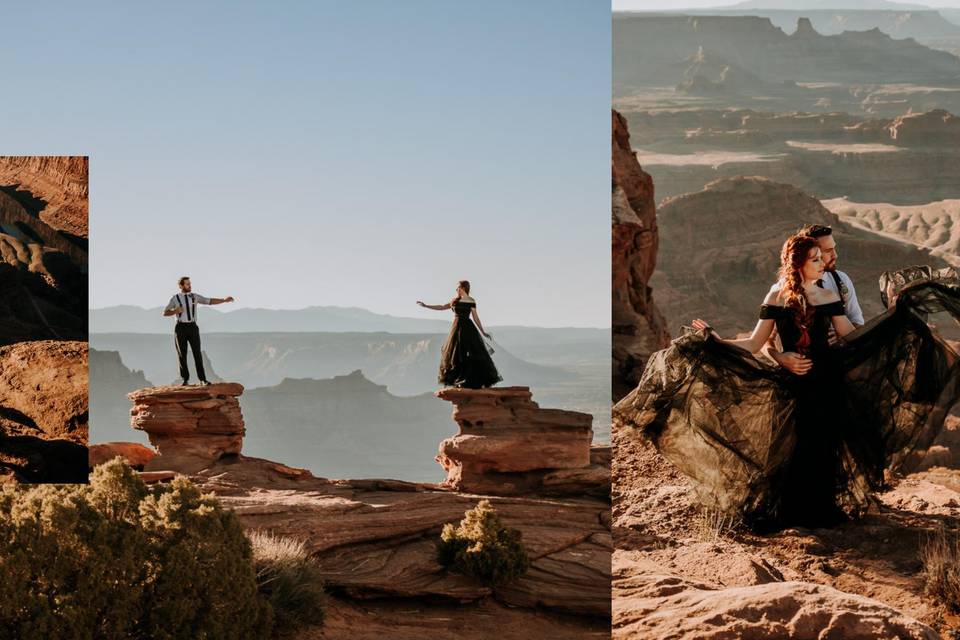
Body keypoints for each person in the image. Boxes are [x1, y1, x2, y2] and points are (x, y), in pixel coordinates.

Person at [613, 233, 960, 531]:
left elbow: (851, 336)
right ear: (798, 264)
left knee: (825, 445)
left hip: (828, 381)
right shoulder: (777, 298)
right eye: (814, 259)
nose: (822, 262)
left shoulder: (828, 294)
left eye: (821, 257)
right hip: (793, 384)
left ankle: (821, 511)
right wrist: (714, 340)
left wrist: (892, 318)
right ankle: (794, 513)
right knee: (796, 446)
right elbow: (753, 343)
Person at [764, 224, 864, 376]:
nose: (835, 255)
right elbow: (764, 340)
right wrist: (780, 358)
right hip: (794, 377)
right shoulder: (779, 293)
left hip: (835, 371)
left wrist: (840, 338)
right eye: (827, 251)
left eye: (834, 248)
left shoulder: (840, 281)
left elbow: (857, 328)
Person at [417, 280, 502, 389]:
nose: (456, 290)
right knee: (456, 353)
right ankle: (459, 379)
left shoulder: (471, 301)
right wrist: (426, 306)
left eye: (458, 288)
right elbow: (442, 306)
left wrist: (483, 332)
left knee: (471, 353)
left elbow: (475, 317)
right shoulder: (455, 301)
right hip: (456, 328)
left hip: (468, 328)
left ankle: (471, 380)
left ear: (463, 288)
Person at [163, 276, 234, 386]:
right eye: (187, 284)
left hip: (192, 327)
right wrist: (175, 311)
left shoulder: (194, 297)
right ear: (181, 286)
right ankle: (185, 379)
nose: (190, 285)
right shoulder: (175, 298)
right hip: (180, 327)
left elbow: (209, 301)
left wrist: (224, 300)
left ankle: (202, 379)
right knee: (182, 354)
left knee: (197, 353)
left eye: (190, 283)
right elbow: (165, 312)